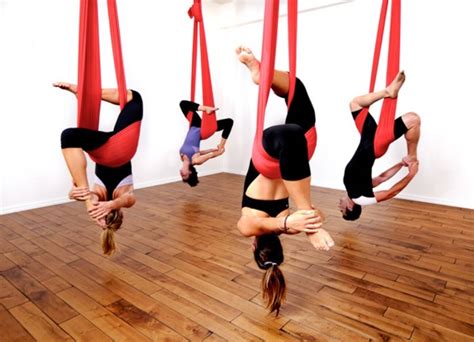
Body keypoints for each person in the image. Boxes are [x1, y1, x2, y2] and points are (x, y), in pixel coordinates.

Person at [235, 46, 334, 315]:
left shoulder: (259, 224)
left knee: (290, 131)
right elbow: (317, 215)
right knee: (295, 88)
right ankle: (260, 72)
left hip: (272, 154)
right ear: (254, 246)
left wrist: (296, 222)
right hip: (298, 151)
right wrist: (310, 221)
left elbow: (251, 225)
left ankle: (261, 74)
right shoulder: (287, 222)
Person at [54, 82, 142, 255]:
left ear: (121, 215)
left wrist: (78, 194)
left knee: (134, 98)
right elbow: (129, 200)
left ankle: (84, 92)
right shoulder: (117, 197)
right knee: (70, 136)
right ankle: (84, 92)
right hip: (109, 148)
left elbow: (128, 201)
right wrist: (107, 204)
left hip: (117, 150)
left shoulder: (101, 197)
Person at [339, 71, 420, 220]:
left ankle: (388, 91)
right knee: (413, 119)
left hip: (367, 137)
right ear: (350, 207)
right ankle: (412, 156)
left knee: (355, 104)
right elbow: (391, 193)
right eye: (342, 210)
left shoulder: (353, 190)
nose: (339, 206)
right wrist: (410, 174)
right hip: (376, 145)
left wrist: (400, 164)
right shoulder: (362, 199)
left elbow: (381, 178)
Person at [179, 101, 233, 187]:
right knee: (229, 122)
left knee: (183, 104)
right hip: (202, 129)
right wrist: (220, 151)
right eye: (185, 175)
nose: (182, 174)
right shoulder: (196, 160)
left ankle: (206, 109)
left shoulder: (182, 158)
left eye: (182, 177)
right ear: (190, 172)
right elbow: (210, 156)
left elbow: (197, 151)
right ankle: (222, 144)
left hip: (194, 125)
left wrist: (210, 149)